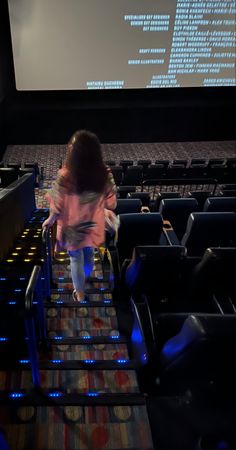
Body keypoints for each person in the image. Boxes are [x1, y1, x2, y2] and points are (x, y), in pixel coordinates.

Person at [42, 130, 117, 302]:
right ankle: (87, 275)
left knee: (75, 259)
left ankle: (80, 292)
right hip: (92, 224)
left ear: (73, 153)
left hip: (72, 226)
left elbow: (56, 205)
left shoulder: (64, 175)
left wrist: (50, 220)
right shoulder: (105, 172)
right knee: (89, 254)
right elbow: (112, 203)